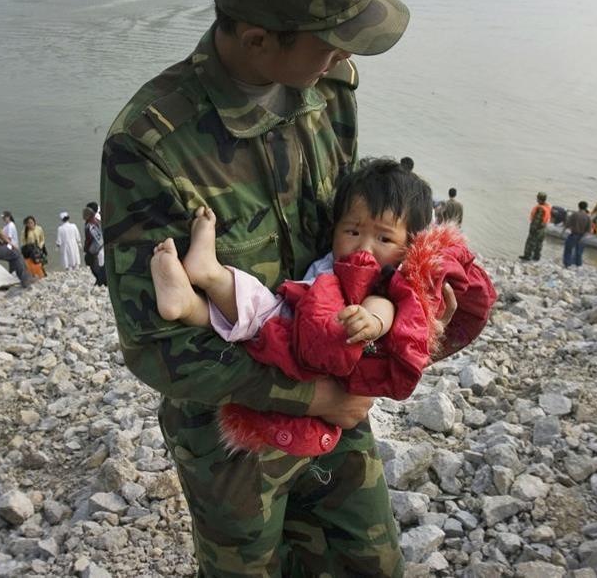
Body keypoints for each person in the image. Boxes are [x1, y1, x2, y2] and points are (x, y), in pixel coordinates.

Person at [100, 0, 415, 573]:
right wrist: (310, 397)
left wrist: (395, 301)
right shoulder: (151, 145)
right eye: (331, 38)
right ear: (256, 39)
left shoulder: (330, 88)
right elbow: (156, 349)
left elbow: (347, 244)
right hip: (233, 437)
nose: (347, 53)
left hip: (336, 400)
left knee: (371, 562)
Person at [151, 158, 493, 456]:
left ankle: (199, 291)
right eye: (353, 230)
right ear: (335, 228)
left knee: (255, 319)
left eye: (384, 238)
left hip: (316, 342)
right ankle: (199, 286)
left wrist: (372, 322)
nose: (365, 246)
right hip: (297, 321)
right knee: (256, 314)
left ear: (409, 246)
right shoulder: (339, 263)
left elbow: (388, 304)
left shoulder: (391, 277)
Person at [520, 191, 552, 261]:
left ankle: (527, 256)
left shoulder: (540, 209)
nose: (537, 199)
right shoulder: (547, 206)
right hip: (543, 228)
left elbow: (537, 220)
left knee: (530, 242)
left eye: (537, 198)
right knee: (539, 244)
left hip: (537, 229)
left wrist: (532, 229)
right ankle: (537, 257)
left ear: (539, 199)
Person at [563, 201, 592, 268]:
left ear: (578, 206)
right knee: (579, 253)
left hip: (574, 235)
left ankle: (567, 264)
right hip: (582, 237)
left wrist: (562, 232)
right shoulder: (588, 217)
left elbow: (567, 224)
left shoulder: (574, 214)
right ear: (586, 208)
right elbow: (589, 230)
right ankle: (578, 265)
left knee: (568, 250)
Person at [83, 207, 107, 286]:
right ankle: (103, 280)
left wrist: (86, 248)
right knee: (100, 264)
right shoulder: (97, 222)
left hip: (95, 248)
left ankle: (100, 280)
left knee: (93, 264)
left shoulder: (89, 226)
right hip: (101, 245)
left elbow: (89, 239)